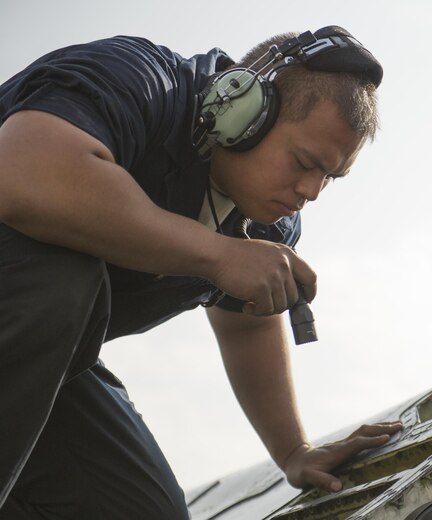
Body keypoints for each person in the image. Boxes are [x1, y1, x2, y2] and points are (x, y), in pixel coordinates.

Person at [0, 27, 402, 518]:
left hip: (34, 364)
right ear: (246, 110)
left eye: (329, 178)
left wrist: (293, 451)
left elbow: (245, 327)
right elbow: (22, 171)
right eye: (304, 162)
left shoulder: (265, 223)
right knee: (61, 285)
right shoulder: (141, 81)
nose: (312, 191)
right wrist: (217, 254)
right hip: (29, 312)